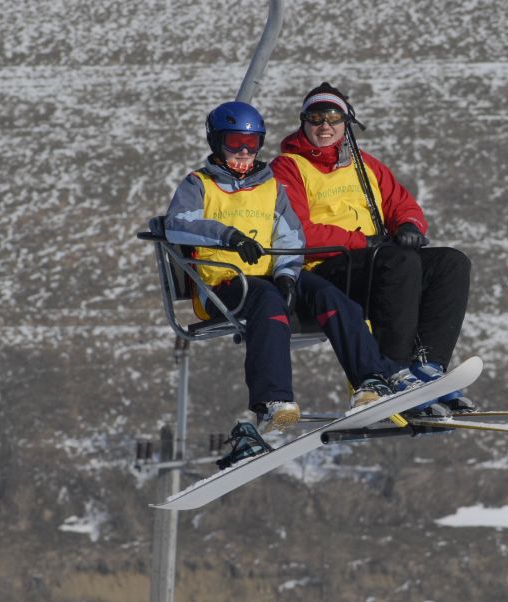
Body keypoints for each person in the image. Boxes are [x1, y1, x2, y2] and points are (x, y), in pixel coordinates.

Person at [162, 101, 410, 446]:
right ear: (216, 142)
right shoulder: (199, 184)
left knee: (326, 294)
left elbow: (290, 235)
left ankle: (371, 379)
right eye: (235, 143)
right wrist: (229, 236)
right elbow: (177, 224)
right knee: (266, 301)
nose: (244, 152)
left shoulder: (270, 185)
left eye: (252, 143)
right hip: (222, 285)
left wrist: (287, 275)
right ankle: (273, 399)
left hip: (268, 278)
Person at [270, 82, 474, 412]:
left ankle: (428, 367)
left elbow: (402, 204)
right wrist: (361, 241)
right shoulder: (289, 168)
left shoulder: (365, 166)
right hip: (327, 267)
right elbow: (297, 231)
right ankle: (395, 371)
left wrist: (409, 226)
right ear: (303, 122)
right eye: (316, 118)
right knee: (398, 262)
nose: (325, 126)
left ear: (347, 123)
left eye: (333, 118)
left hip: (375, 261)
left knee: (451, 263)